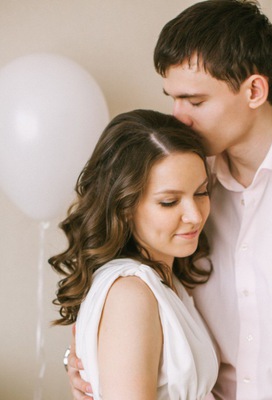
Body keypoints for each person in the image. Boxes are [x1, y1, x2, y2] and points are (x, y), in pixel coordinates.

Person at [68, 1, 272, 399]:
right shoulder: (187, 184)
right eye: (173, 98)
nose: (178, 118)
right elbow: (134, 293)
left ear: (254, 91)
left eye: (195, 102)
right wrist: (88, 358)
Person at [50, 109, 219, 399]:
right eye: (169, 202)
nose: (195, 216)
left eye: (201, 192)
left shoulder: (164, 281)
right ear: (124, 207)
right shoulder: (131, 294)